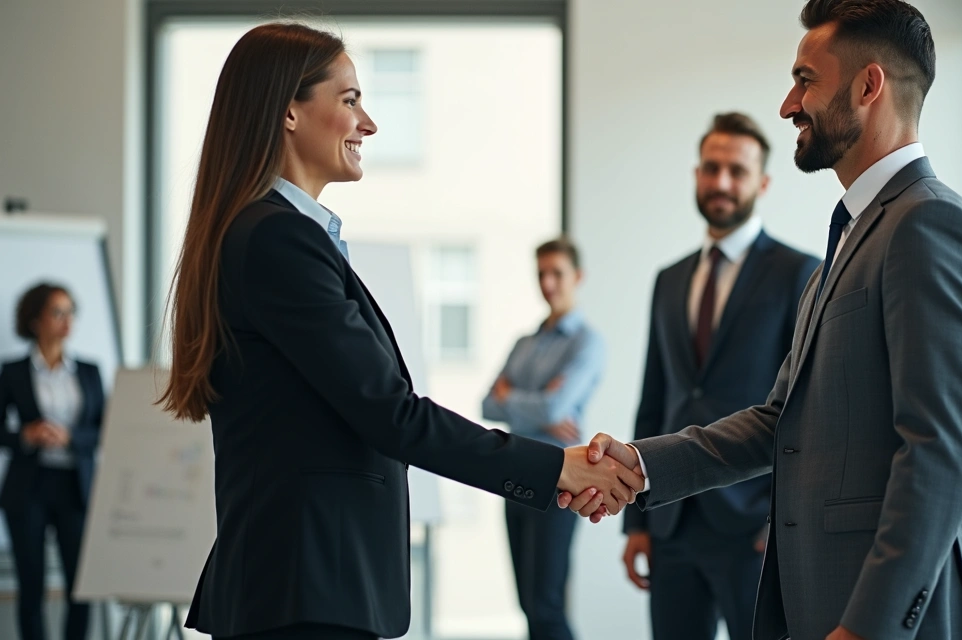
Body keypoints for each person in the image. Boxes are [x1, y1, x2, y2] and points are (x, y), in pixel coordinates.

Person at [155, 22, 642, 640]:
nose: (370, 124)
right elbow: (391, 414)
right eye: (350, 99)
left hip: (305, 582)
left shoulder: (274, 234)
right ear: (290, 114)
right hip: (307, 588)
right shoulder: (277, 238)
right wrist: (555, 468)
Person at [564, 2, 962, 639]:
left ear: (868, 86)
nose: (788, 104)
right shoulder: (854, 235)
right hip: (822, 598)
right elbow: (780, 420)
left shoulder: (928, 225)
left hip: (891, 616)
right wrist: (639, 464)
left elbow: (942, 452)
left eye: (805, 80)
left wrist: (869, 628)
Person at [621, 112, 819, 640]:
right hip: (671, 522)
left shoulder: (800, 273)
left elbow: (805, 410)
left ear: (763, 182)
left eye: (737, 170)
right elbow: (655, 399)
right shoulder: (670, 280)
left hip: (753, 526)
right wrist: (637, 520)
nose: (722, 183)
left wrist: (780, 520)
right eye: (712, 168)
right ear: (697, 175)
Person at [482, 237, 605, 640]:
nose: (548, 283)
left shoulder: (587, 342)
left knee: (547, 605)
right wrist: (539, 404)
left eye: (557, 273)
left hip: (559, 483)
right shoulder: (525, 343)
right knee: (528, 605)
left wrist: (512, 397)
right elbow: (487, 403)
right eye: (542, 274)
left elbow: (555, 410)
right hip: (514, 476)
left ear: (578, 277)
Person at [0, 284, 104, 640]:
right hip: (28, 486)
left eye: (70, 311)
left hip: (75, 486)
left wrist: (72, 438)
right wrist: (26, 436)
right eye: (57, 312)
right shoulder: (13, 371)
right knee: (32, 585)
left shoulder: (89, 371)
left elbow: (103, 429)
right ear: (34, 321)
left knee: (80, 585)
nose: (67, 320)